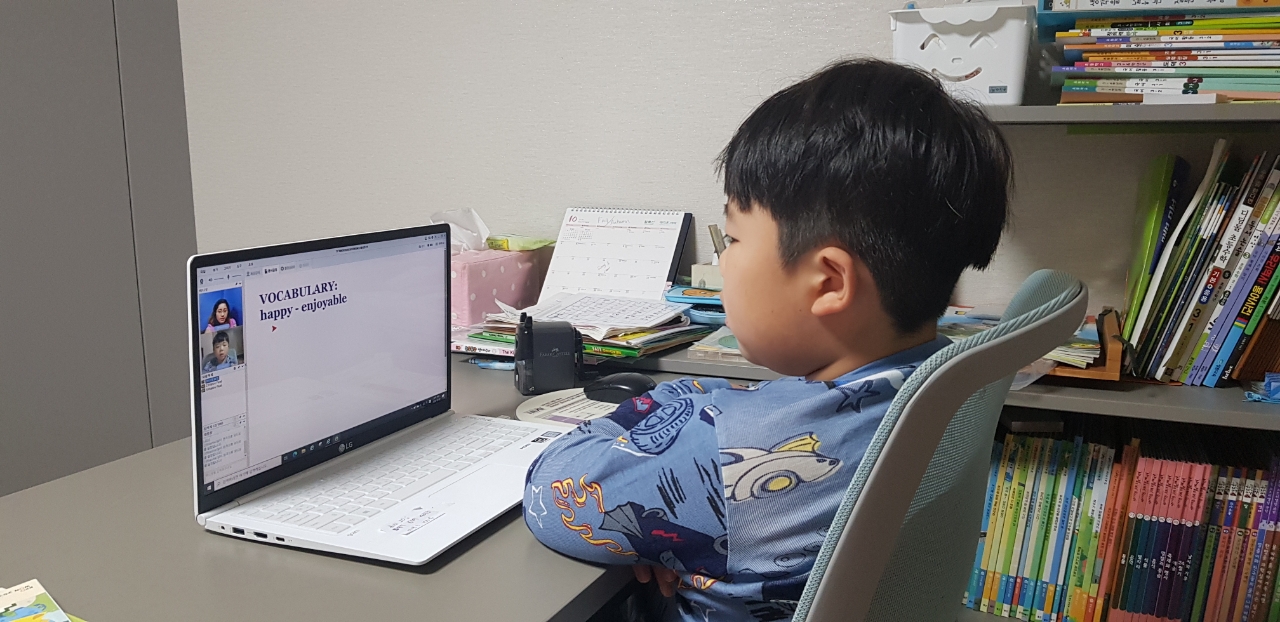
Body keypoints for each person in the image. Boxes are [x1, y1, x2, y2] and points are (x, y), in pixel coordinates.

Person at [522, 58, 1011, 622]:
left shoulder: (727, 451)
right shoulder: (937, 383)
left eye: (732, 239)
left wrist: (657, 406)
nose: (722, 265)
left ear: (828, 283)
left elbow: (549, 489)